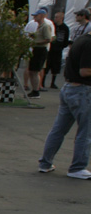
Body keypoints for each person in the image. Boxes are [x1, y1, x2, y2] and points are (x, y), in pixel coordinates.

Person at [37, 30, 91, 179]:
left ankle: (45, 163)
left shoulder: (81, 40)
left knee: (59, 129)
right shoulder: (88, 43)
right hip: (82, 90)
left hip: (69, 88)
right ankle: (77, 167)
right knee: (85, 132)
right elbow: (85, 71)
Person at [27, 8, 53, 99]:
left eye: (36, 15)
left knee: (35, 71)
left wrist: (36, 42)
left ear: (42, 16)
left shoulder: (45, 26)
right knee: (32, 70)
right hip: (36, 49)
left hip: (41, 50)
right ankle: (34, 89)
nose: (34, 17)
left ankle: (36, 91)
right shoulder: (39, 26)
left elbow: (48, 39)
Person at [44, 11, 70, 90]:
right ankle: (43, 81)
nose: (55, 19)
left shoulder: (65, 28)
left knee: (56, 66)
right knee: (47, 65)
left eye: (57, 17)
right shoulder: (52, 26)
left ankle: (53, 82)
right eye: (55, 17)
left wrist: (62, 46)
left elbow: (66, 40)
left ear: (61, 18)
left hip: (58, 49)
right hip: (51, 49)